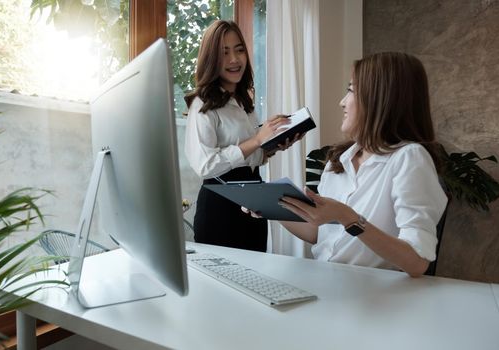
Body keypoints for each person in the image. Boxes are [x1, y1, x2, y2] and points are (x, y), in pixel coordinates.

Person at [272, 52, 448, 277]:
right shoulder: (339, 161)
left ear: (379, 99)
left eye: (350, 90)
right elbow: (319, 234)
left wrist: (349, 218)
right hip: (327, 283)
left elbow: (417, 262)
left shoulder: (409, 158)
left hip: (377, 297)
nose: (342, 102)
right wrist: (271, 208)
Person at [184, 20, 300, 252]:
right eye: (224, 53)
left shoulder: (243, 102)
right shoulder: (202, 105)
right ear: (211, 59)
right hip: (219, 208)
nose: (234, 60)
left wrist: (272, 145)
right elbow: (205, 166)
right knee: (220, 284)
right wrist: (257, 140)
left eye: (239, 50)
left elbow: (250, 158)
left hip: (254, 204)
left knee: (255, 280)